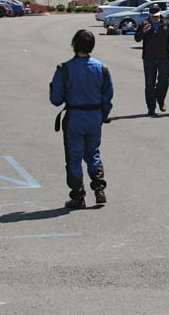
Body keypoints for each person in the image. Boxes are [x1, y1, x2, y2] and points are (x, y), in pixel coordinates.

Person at [49, 29, 113, 209]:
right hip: (94, 116)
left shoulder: (64, 69)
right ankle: (99, 189)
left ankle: (78, 196)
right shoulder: (102, 68)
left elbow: (56, 99)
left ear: (74, 45)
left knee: (74, 157)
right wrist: (102, 115)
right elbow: (107, 96)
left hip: (75, 116)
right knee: (93, 152)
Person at [134, 4, 169, 116]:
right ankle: (151, 108)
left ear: (160, 13)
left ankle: (160, 99)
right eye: (153, 16)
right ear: (149, 15)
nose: (155, 18)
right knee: (149, 84)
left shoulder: (166, 23)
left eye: (157, 16)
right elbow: (137, 38)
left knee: (164, 80)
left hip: (163, 57)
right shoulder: (144, 24)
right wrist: (143, 31)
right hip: (149, 58)